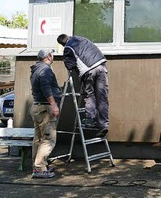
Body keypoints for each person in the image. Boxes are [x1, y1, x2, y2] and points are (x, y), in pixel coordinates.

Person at [57, 33, 109, 138]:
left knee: (89, 94)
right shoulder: (81, 38)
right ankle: (104, 125)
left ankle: (90, 119)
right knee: (102, 96)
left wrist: (77, 71)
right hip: (101, 65)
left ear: (62, 44)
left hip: (88, 70)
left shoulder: (68, 48)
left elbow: (70, 66)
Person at [30, 49, 60, 179]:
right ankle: (39, 168)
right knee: (49, 139)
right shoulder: (45, 70)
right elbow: (46, 88)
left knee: (39, 139)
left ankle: (38, 165)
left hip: (37, 107)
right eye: (52, 55)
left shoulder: (35, 69)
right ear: (48, 57)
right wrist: (53, 104)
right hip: (44, 108)